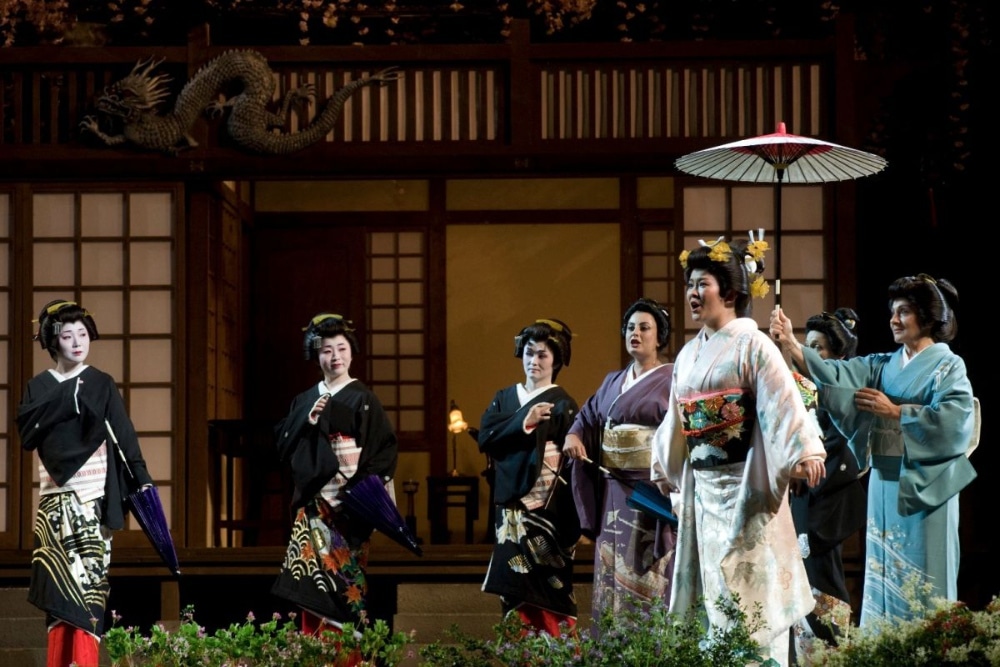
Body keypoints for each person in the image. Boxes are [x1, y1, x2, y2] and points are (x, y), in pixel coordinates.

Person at [650, 237, 826, 667]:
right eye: (690, 284)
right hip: (704, 491)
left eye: (702, 284)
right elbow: (677, 419)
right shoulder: (688, 355)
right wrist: (664, 464)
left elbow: (781, 402)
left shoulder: (755, 345)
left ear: (729, 292)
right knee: (714, 596)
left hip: (746, 487)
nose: (692, 293)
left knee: (752, 597)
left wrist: (804, 450)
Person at [770, 274, 976, 626]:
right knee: (884, 567)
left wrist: (897, 412)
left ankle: (927, 644)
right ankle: (884, 645)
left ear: (927, 317)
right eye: (893, 312)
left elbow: (956, 420)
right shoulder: (882, 365)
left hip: (926, 484)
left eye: (904, 311)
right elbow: (837, 375)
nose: (894, 320)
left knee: (926, 569)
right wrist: (790, 343)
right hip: (884, 479)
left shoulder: (948, 365)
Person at [16, 299, 154, 667]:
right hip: (54, 506)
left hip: (92, 503)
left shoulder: (101, 383)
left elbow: (125, 439)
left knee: (88, 595)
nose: (78, 342)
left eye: (82, 333)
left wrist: (143, 484)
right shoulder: (38, 387)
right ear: (52, 340)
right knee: (59, 594)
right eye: (67, 335)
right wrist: (71, 397)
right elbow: (28, 434)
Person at [271, 313, 398, 648]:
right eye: (326, 350)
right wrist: (308, 418)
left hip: (351, 506)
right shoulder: (304, 399)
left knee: (347, 583)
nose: (335, 356)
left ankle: (348, 657)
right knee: (311, 580)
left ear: (352, 352)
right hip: (314, 504)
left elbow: (384, 450)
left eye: (341, 348)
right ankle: (314, 653)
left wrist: (359, 492)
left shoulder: (364, 398)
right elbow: (283, 445)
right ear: (316, 355)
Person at [562, 298, 676, 620]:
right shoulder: (613, 381)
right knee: (611, 570)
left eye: (644, 328)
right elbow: (586, 416)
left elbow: (681, 432)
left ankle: (649, 643)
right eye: (630, 328)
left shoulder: (673, 378)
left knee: (648, 570)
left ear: (659, 337)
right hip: (613, 490)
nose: (635, 333)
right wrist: (573, 435)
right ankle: (612, 644)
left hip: (652, 490)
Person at [478, 318, 581, 637]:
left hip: (548, 510)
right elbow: (486, 437)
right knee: (514, 587)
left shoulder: (563, 403)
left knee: (550, 586)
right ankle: (519, 652)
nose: (534, 360)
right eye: (529, 352)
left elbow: (572, 464)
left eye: (542, 355)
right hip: (510, 507)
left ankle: (555, 652)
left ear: (556, 361)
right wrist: (527, 418)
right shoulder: (504, 398)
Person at [786, 309, 868, 650]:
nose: (809, 353)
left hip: (830, 494)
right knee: (801, 572)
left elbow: (844, 446)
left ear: (839, 357)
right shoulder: (805, 391)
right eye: (808, 346)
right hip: (806, 494)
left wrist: (808, 468)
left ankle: (830, 652)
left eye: (818, 347)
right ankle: (808, 652)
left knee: (824, 571)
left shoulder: (844, 395)